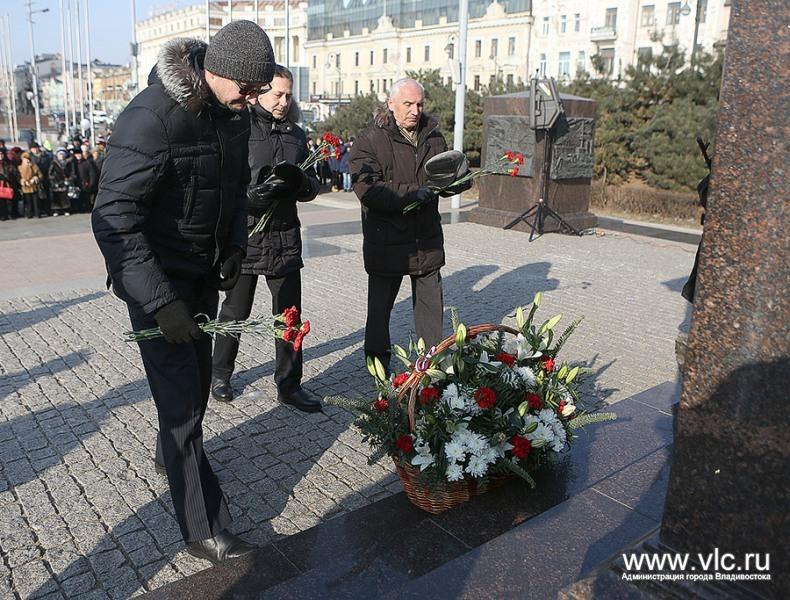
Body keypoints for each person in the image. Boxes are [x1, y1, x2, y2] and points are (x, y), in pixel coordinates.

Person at [92, 21, 275, 564]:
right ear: (217, 71)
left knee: (193, 386)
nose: (254, 98)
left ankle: (169, 457)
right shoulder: (151, 116)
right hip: (156, 283)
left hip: (200, 276)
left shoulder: (234, 114)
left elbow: (236, 190)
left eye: (260, 89)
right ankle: (204, 528)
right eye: (247, 87)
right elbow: (113, 218)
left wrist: (235, 245)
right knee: (180, 404)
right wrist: (160, 303)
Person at [211, 65, 321, 411]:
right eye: (277, 94)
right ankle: (219, 374)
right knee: (234, 311)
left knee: (289, 316)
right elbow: (223, 182)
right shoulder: (238, 126)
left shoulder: (297, 135)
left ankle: (289, 384)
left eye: (288, 95)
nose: (284, 102)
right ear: (260, 93)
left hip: (285, 238)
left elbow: (314, 182)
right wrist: (251, 198)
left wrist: (302, 185)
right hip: (246, 237)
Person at [349, 78, 469, 372]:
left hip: (425, 240)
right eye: (408, 104)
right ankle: (378, 371)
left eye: (420, 104)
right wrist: (413, 194)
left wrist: (459, 181)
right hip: (386, 241)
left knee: (431, 315)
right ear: (391, 104)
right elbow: (367, 189)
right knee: (379, 314)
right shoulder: (370, 140)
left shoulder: (434, 137)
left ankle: (431, 370)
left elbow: (443, 181)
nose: (415, 110)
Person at [19, 151, 43, 218]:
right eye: (25, 159)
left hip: (34, 186)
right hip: (25, 187)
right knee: (28, 201)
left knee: (36, 201)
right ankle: (29, 213)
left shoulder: (34, 166)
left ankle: (37, 213)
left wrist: (36, 178)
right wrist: (23, 181)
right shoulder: (20, 167)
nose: (27, 160)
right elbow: (18, 177)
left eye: (28, 159)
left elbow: (40, 175)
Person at [49, 148, 72, 216]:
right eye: (60, 154)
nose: (61, 156)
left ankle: (66, 210)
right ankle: (56, 210)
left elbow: (71, 171)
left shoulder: (68, 162)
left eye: (62, 154)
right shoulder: (53, 163)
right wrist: (53, 179)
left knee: (65, 196)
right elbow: (50, 173)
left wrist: (69, 178)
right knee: (56, 196)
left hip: (65, 181)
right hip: (56, 181)